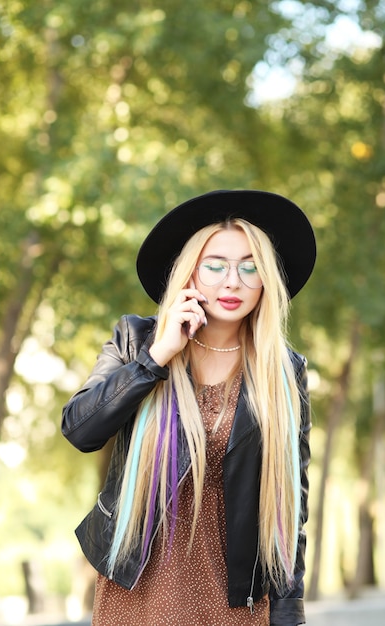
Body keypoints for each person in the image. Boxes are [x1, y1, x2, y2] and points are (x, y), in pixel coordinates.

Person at [62, 189, 316, 626]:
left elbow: (292, 508)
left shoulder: (283, 371)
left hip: (237, 594)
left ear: (267, 280)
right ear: (190, 274)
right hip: (140, 585)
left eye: (249, 267)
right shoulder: (137, 341)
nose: (232, 281)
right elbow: (80, 430)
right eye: (215, 266)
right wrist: (155, 358)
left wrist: (289, 614)